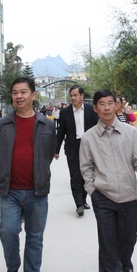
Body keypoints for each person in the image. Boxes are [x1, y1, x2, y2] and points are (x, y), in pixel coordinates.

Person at [80, 89, 137, 272]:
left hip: (128, 194)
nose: (107, 108)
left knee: (129, 235)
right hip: (103, 195)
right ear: (95, 108)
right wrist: (92, 191)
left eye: (110, 103)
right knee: (107, 239)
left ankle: (125, 259)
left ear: (116, 105)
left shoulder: (130, 133)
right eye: (102, 104)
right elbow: (86, 167)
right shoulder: (88, 138)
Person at [0, 76, 56, 272]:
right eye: (15, 92)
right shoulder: (2, 124)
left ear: (33, 95)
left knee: (35, 236)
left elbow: (49, 153)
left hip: (37, 191)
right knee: (8, 231)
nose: (19, 96)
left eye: (23, 92)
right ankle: (12, 266)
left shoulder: (47, 124)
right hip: (10, 191)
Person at [55, 84, 99, 216]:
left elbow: (98, 128)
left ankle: (83, 200)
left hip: (88, 147)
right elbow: (61, 132)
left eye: (75, 95)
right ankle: (79, 204)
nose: (73, 98)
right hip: (72, 148)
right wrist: (56, 150)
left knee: (86, 176)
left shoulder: (91, 110)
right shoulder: (65, 113)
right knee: (75, 176)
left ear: (82, 96)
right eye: (71, 96)